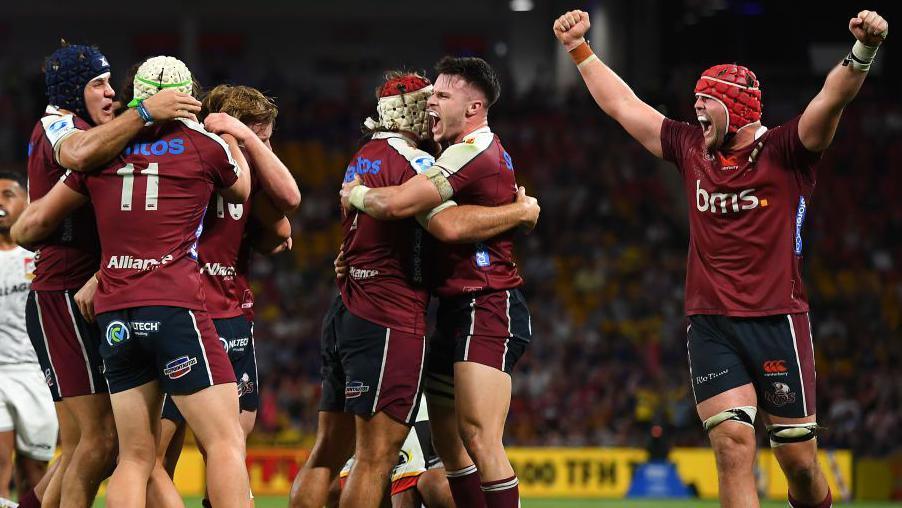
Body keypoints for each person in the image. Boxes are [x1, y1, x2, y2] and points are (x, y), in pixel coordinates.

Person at [552, 8, 888, 508]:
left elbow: (830, 99)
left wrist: (863, 50)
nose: (696, 111)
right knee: (732, 446)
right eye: (695, 102)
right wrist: (580, 49)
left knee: (798, 462)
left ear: (735, 107)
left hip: (778, 319)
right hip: (711, 323)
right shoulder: (691, 149)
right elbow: (624, 105)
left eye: (705, 101)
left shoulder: (787, 151)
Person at [13, 55, 251, 508]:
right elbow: (240, 191)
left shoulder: (102, 151)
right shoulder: (203, 145)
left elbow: (28, 227)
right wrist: (231, 134)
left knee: (135, 457)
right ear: (188, 97)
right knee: (224, 441)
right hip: (174, 303)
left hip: (113, 312)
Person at [293, 69, 537, 508]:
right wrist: (521, 213)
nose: (432, 108)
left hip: (356, 307)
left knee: (332, 452)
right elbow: (444, 224)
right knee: (376, 458)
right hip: (389, 314)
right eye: (430, 99)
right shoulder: (416, 160)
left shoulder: (363, 155)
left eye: (441, 97)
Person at [149, 84, 299, 508]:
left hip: (221, 317)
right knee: (186, 451)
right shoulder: (203, 166)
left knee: (206, 451)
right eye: (262, 136)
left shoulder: (227, 175)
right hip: (193, 318)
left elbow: (283, 225)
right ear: (235, 129)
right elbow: (287, 216)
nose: (267, 147)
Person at [0, 172, 57, 506]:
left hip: (38, 374)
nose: (0, 203)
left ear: (27, 202)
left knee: (35, 473)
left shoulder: (44, 253)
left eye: (8, 194)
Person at [332, 395, 455, 508]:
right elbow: (347, 487)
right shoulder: (357, 414)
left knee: (432, 483)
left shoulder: (398, 410)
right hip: (406, 471)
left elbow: (406, 493)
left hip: (447, 470)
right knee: (334, 488)